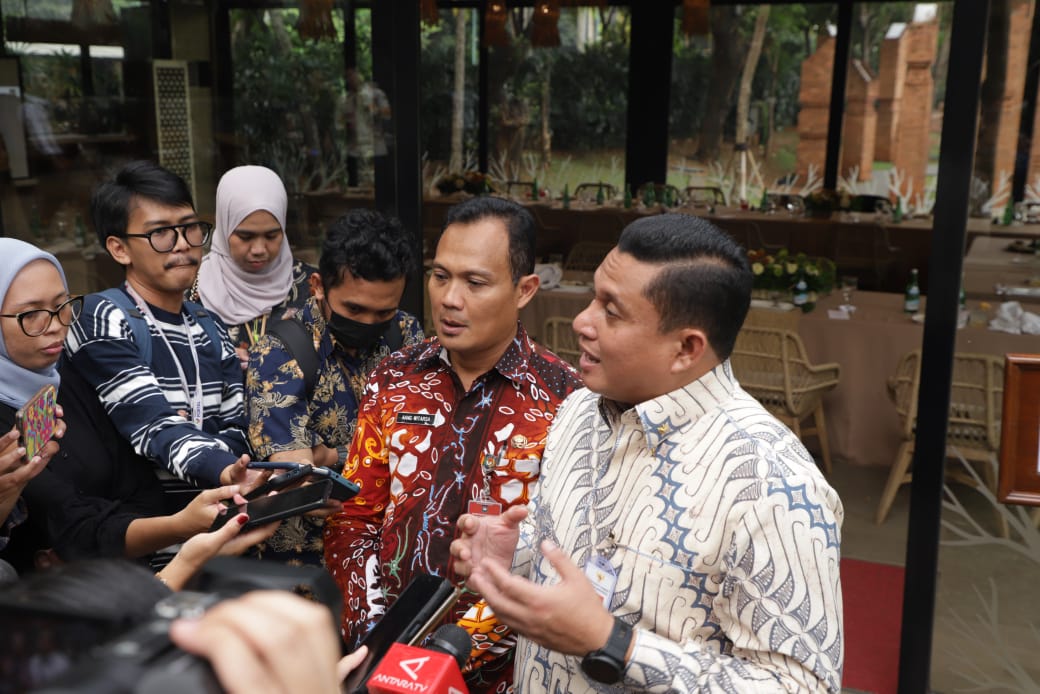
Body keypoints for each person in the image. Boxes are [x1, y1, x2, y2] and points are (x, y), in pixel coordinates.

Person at [450, 214, 844, 693]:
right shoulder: (579, 411)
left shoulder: (772, 482)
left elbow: (799, 685)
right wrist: (518, 554)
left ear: (686, 348)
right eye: (593, 297)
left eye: (611, 311)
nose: (582, 321)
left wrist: (615, 645)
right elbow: (566, 549)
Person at [323, 196, 582, 691]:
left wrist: (445, 657)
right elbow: (353, 517)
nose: (449, 298)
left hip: (503, 674)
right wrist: (377, 641)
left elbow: (560, 557)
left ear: (525, 290)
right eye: (440, 276)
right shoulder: (394, 378)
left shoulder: (565, 401)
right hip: (376, 661)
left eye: (475, 282)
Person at [0, 238, 272, 576]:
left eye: (62, 305)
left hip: (122, 578)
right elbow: (66, 522)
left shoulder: (67, 380)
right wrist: (176, 526)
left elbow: (139, 489)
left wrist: (162, 527)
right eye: (31, 315)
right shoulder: (15, 419)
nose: (55, 325)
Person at [62, 160, 256, 491]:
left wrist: (213, 455)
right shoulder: (102, 316)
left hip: (222, 513)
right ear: (119, 249)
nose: (182, 243)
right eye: (160, 233)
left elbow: (240, 430)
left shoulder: (209, 325)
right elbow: (151, 424)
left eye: (190, 227)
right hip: (147, 519)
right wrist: (223, 467)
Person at [245, 208, 423, 567]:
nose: (369, 322)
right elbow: (300, 479)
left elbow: (426, 445)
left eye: (383, 313)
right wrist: (377, 453)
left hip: (393, 554)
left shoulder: (405, 334)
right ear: (318, 287)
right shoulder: (278, 354)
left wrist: (331, 455)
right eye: (354, 310)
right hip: (308, 563)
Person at [189, 165, 316, 369]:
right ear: (224, 227)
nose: (259, 249)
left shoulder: (313, 286)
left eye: (272, 236)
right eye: (245, 236)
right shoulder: (192, 288)